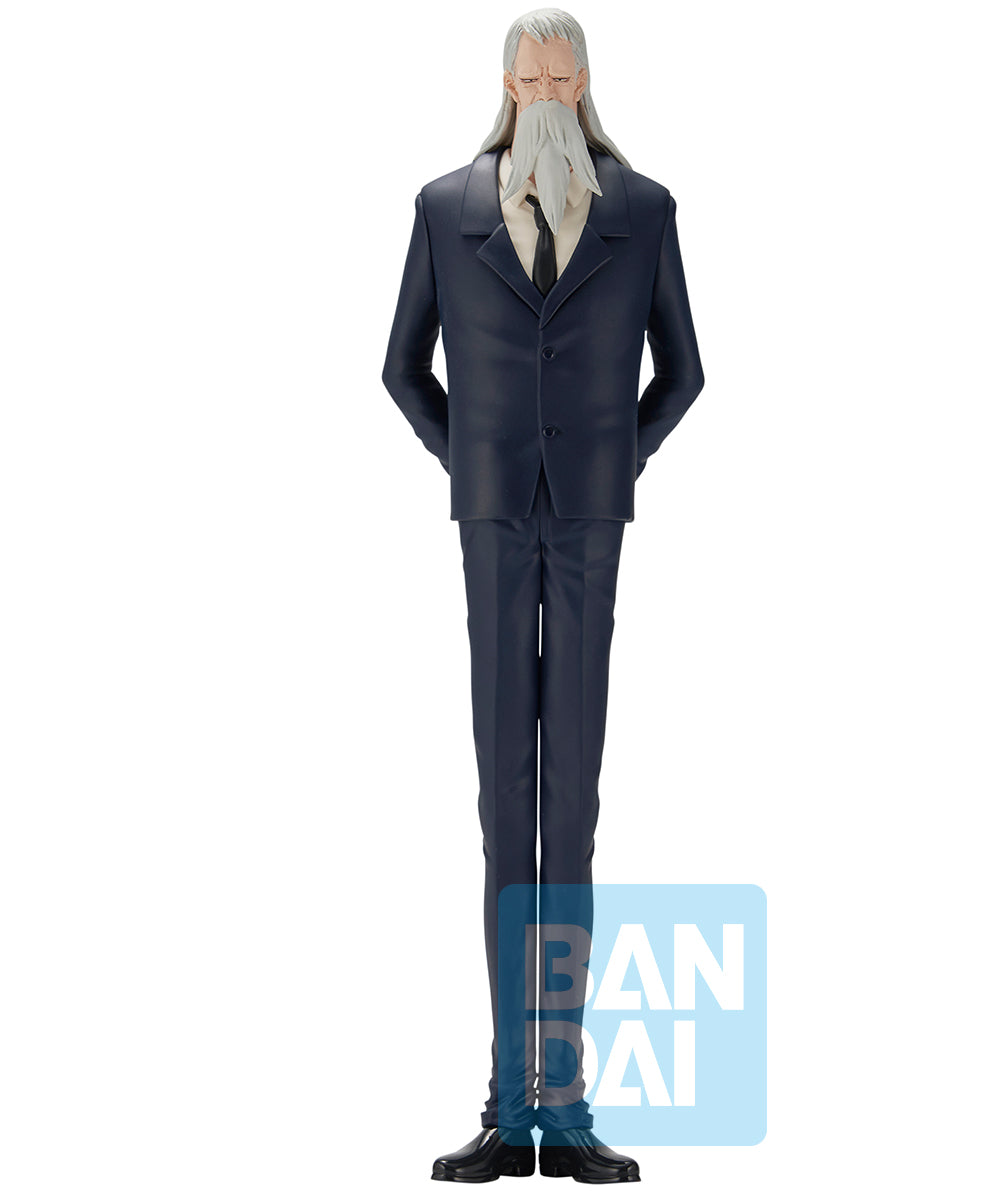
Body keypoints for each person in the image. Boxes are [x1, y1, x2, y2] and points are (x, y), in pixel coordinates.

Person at [381, 8, 704, 1183]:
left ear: (586, 83)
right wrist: (472, 461)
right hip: (491, 522)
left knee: (571, 804)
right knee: (500, 803)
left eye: (568, 77)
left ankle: (560, 1109)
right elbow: (401, 367)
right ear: (507, 86)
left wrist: (615, 462)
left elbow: (685, 371)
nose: (552, 94)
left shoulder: (644, 209)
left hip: (588, 525)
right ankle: (503, 1104)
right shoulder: (444, 206)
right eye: (535, 78)